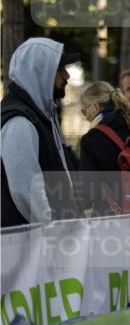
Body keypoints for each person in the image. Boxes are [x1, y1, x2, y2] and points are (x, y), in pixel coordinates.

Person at [1, 38, 79, 226]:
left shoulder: (39, 116)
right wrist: (56, 230)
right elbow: (26, 192)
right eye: (60, 69)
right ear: (40, 72)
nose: (67, 75)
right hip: (30, 241)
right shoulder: (19, 121)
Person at [77, 82, 130, 215]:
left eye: (84, 112)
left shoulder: (91, 140)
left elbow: (89, 189)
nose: (86, 118)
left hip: (110, 214)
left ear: (95, 107)